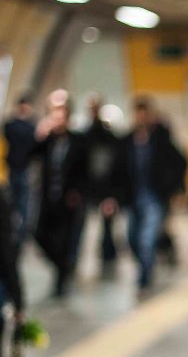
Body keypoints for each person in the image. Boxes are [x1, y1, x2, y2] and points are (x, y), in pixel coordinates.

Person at [109, 97, 187, 293]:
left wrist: (172, 187)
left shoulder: (161, 140)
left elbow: (181, 161)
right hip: (132, 197)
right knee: (132, 238)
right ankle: (145, 264)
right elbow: (116, 171)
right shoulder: (126, 141)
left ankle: (145, 275)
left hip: (154, 197)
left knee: (147, 238)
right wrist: (112, 196)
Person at [32, 96, 88, 298]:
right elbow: (27, 156)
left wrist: (78, 193)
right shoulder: (47, 141)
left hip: (69, 202)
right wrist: (40, 134)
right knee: (39, 235)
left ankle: (61, 281)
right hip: (48, 200)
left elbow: (85, 171)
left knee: (64, 242)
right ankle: (63, 268)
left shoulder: (78, 141)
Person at [83, 93, 120, 275]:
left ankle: (108, 253)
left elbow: (113, 163)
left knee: (107, 224)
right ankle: (106, 252)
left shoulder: (105, 135)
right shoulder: (88, 135)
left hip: (105, 187)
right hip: (91, 187)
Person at [3, 92, 37, 250]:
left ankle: (19, 232)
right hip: (15, 168)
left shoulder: (16, 125)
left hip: (23, 168)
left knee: (22, 203)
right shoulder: (25, 126)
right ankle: (16, 230)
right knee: (15, 202)